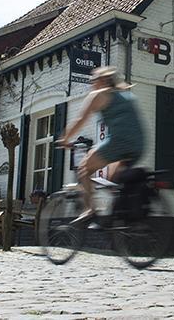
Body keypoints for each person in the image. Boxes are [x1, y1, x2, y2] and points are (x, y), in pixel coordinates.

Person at [57, 66, 144, 224]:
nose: (91, 84)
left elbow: (80, 120)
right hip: (138, 145)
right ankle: (117, 222)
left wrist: (65, 139)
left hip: (118, 142)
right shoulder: (126, 95)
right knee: (113, 181)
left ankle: (91, 210)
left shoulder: (98, 95)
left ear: (103, 80)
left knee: (84, 169)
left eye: (93, 80)